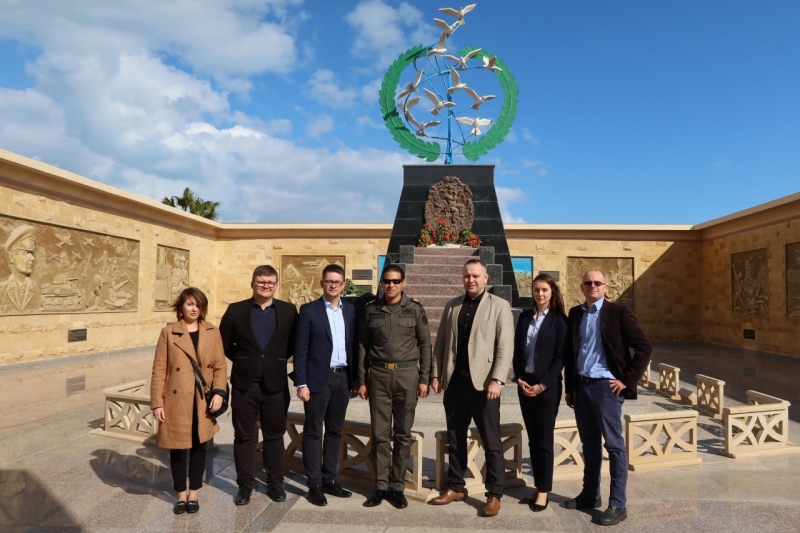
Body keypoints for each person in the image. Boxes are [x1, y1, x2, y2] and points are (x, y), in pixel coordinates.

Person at [563, 270, 652, 526]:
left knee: (613, 446)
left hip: (606, 388)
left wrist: (626, 380)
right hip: (581, 385)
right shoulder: (575, 313)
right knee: (589, 445)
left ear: (606, 287)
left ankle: (618, 504)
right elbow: (572, 353)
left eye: (597, 283)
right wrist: (570, 387)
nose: (593, 286)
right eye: (588, 283)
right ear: (582, 287)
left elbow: (644, 347)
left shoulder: (618, 312)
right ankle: (590, 495)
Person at [429, 258, 514, 517]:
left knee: (491, 441)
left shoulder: (499, 306)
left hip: (484, 385)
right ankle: (456, 486)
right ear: (462, 277)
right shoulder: (452, 305)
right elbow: (441, 343)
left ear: (486, 278)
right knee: (455, 438)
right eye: (467, 276)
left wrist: (497, 379)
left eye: (476, 276)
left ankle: (494, 493)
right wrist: (436, 374)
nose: (471, 280)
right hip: (456, 383)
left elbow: (505, 346)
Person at [219, 265, 298, 506]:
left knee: (274, 436)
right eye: (261, 282)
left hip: (275, 385)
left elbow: (294, 344)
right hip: (245, 385)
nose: (266, 286)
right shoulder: (235, 310)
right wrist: (246, 361)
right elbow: (223, 344)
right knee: (244, 436)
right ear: (253, 283)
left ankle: (275, 484)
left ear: (276, 285)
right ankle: (245, 485)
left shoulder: (288, 311)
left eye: (270, 283)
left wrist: (273, 362)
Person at [356, 264, 431, 509]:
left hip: (407, 376)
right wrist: (362, 380)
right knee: (379, 435)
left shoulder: (415, 309)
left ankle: (397, 487)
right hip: (377, 376)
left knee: (402, 434)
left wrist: (424, 379)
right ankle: (380, 486)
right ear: (381, 282)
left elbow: (425, 345)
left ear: (404, 283)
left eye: (396, 281)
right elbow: (362, 346)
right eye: (387, 281)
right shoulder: (372, 309)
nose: (391, 285)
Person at [151, 287, 228, 515]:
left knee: (199, 448)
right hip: (177, 400)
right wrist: (157, 402)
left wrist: (218, 392)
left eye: (198, 304)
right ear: (181, 307)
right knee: (177, 449)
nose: (194, 308)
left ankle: (193, 493)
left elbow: (220, 367)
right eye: (189, 304)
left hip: (202, 400)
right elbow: (159, 370)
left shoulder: (212, 331)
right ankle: (180, 494)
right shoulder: (169, 333)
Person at [294, 264, 358, 506]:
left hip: (342, 378)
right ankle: (314, 484)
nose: (333, 285)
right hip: (317, 379)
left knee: (334, 431)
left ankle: (329, 479)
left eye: (337, 282)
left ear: (343, 285)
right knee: (313, 431)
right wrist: (301, 383)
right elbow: (300, 349)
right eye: (328, 281)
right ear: (321, 283)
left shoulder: (350, 310)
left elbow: (353, 346)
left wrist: (355, 380)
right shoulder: (309, 310)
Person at [511, 273, 567, 512]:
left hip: (547, 388)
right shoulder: (524, 317)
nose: (540, 294)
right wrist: (520, 378)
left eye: (544, 290)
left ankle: (544, 490)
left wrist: (542, 385)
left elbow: (560, 358)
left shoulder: (559, 321)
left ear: (552, 292)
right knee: (533, 439)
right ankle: (537, 485)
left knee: (544, 440)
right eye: (536, 290)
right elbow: (517, 351)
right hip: (526, 385)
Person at [0, 225, 39, 312]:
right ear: (11, 257)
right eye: (26, 252)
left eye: (31, 253)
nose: (32, 258)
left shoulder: (36, 289)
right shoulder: (1, 290)